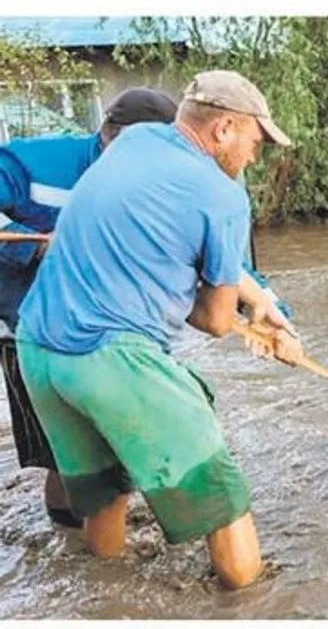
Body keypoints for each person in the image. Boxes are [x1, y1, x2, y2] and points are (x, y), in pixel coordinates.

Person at [15, 69, 303, 590]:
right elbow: (213, 321)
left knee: (105, 495)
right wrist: (249, 322)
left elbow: (154, 232)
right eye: (255, 140)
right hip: (112, 359)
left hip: (37, 351)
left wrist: (258, 299)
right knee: (223, 499)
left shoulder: (136, 140)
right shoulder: (224, 196)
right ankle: (254, 604)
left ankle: (109, 601)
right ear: (223, 129)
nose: (256, 156)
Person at [0, 87, 179, 529]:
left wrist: (269, 311)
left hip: (98, 318)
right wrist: (37, 249)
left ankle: (82, 545)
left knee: (98, 437)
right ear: (111, 138)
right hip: (26, 312)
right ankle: (76, 536)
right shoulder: (34, 164)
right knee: (62, 445)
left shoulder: (156, 185)